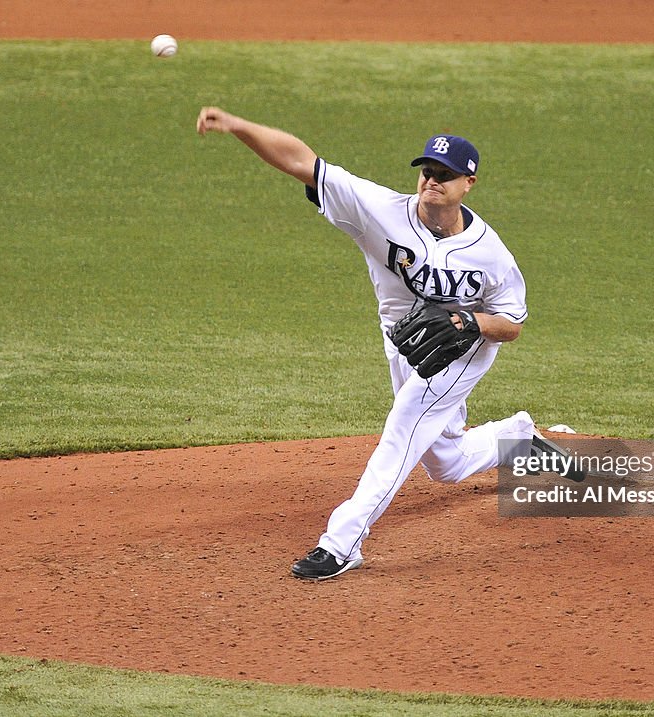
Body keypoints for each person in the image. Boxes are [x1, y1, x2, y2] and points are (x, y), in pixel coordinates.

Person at [196, 107, 567, 580]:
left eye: (446, 175)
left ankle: (342, 541)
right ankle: (516, 440)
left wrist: (465, 320)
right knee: (445, 462)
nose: (433, 181)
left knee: (403, 429)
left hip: (463, 351)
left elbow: (511, 324)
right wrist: (237, 126)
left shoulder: (491, 253)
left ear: (468, 183)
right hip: (405, 346)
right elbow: (301, 163)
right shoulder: (379, 211)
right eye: (428, 171)